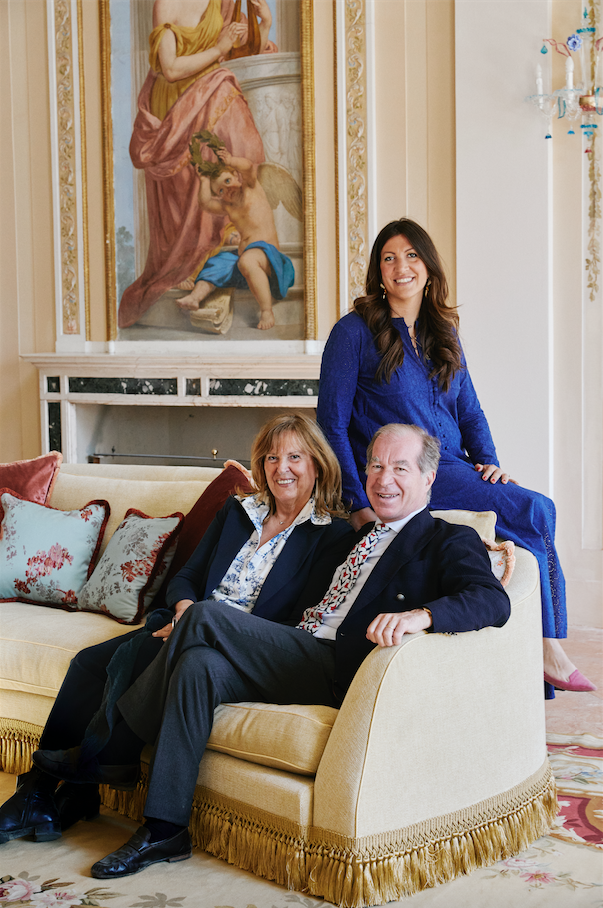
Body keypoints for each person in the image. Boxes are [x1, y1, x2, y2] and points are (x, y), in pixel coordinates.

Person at [32, 423, 508, 878]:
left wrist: (419, 616)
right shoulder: (358, 535)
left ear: (428, 477)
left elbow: (492, 599)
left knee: (203, 614)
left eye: (400, 468)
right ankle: (165, 829)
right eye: (376, 467)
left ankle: (111, 747)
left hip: (335, 667)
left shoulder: (446, 538)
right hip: (296, 648)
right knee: (198, 664)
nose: (384, 479)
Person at [0, 414, 353, 847]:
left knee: (138, 656)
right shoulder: (237, 511)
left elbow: (292, 626)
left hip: (238, 648)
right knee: (89, 662)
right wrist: (185, 612)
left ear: (317, 464)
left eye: (296, 457)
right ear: (260, 465)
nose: (282, 468)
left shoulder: (332, 536)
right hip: (187, 624)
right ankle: (38, 792)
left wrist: (204, 625)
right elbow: (186, 577)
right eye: (272, 457)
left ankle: (93, 766)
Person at [316, 218, 596, 697]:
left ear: (428, 268)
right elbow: (331, 423)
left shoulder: (443, 331)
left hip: (457, 467)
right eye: (389, 258)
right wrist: (359, 502)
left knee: (532, 518)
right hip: (407, 474)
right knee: (534, 509)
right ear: (378, 273)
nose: (400, 266)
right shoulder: (354, 332)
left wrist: (489, 459)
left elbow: (470, 407)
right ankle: (547, 650)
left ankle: (537, 655)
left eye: (411, 256)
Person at [118, 0, 276, 329]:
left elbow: (238, 54)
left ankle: (229, 236)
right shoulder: (166, 5)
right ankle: (186, 262)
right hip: (175, 102)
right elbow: (171, 68)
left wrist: (265, 24)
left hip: (211, 90)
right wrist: (219, 46)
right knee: (193, 179)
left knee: (240, 139)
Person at [177, 141, 294, 329]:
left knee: (247, 261)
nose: (226, 190)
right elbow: (205, 203)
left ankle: (266, 311)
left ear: (235, 175)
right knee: (216, 262)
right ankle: (195, 298)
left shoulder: (251, 188)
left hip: (268, 256)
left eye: (227, 181)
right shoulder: (228, 207)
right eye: (220, 191)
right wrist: (204, 182)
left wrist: (231, 160)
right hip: (244, 259)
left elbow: (248, 167)